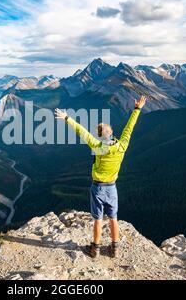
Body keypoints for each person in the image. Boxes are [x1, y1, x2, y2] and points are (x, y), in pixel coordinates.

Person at [54, 96, 146, 258]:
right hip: (112, 187)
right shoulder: (122, 145)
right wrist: (137, 109)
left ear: (99, 136)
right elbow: (129, 128)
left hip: (97, 188)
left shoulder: (97, 145)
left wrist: (67, 118)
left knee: (98, 219)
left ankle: (95, 248)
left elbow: (81, 131)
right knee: (113, 218)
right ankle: (114, 248)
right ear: (111, 133)